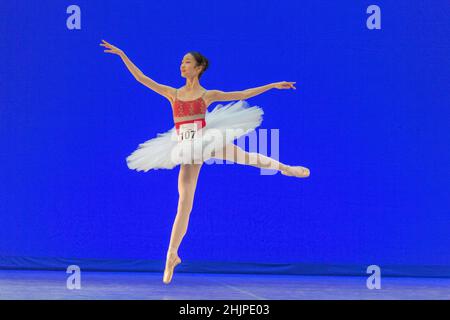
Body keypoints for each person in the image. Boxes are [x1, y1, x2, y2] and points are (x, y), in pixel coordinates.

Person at [100, 40, 310, 284]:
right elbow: (142, 79)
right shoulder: (173, 93)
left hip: (206, 139)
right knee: (184, 204)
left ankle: (287, 169)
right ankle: (171, 255)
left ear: (198, 68)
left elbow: (241, 94)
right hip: (185, 148)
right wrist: (123, 54)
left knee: (248, 157)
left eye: (187, 62)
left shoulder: (207, 95)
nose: (182, 65)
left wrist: (272, 85)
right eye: (181, 62)